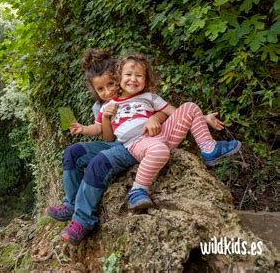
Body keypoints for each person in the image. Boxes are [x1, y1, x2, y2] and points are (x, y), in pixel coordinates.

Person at [45, 49, 167, 246]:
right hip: (113, 142)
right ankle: (71, 204)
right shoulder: (101, 106)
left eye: (111, 84)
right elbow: (107, 136)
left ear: (119, 77)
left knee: (98, 162)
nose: (108, 92)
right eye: (101, 89)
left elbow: (162, 110)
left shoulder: (135, 93)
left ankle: (83, 220)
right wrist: (85, 127)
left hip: (133, 144)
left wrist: (154, 116)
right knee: (72, 152)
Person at [96, 52, 241, 211]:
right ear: (118, 77)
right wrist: (96, 123)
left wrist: (204, 117)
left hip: (165, 134)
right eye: (128, 74)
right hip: (140, 143)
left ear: (146, 79)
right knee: (159, 150)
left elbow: (176, 113)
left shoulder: (150, 97)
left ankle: (209, 149)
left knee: (190, 107)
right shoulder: (111, 105)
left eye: (139, 75)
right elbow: (107, 137)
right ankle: (137, 191)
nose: (133, 79)